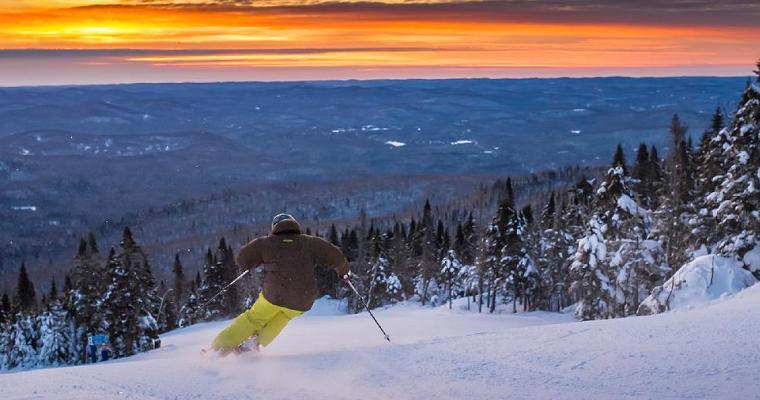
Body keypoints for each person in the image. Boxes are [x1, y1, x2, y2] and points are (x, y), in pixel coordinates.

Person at [211, 213, 350, 355]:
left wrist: (255, 261)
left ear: (274, 227)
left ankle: (218, 349)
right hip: (304, 298)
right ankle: (253, 344)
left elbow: (242, 259)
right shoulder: (311, 242)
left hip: (275, 295)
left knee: (254, 319)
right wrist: (344, 272)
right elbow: (337, 257)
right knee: (284, 316)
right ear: (294, 224)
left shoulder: (265, 243)